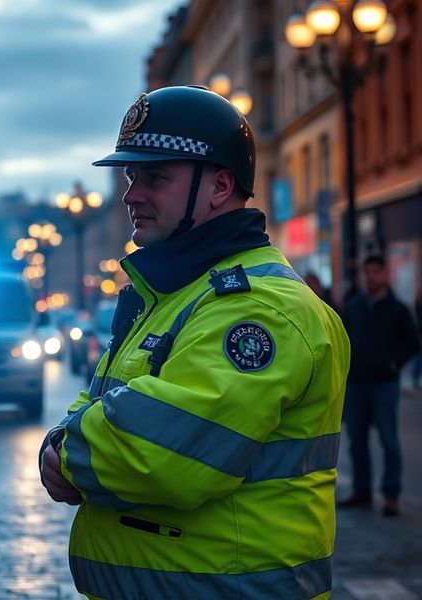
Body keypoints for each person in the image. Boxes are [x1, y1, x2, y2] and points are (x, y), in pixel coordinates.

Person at [39, 86, 350, 599]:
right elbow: (99, 403)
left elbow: (160, 455)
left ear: (220, 186)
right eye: (131, 176)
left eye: (155, 178)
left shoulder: (260, 308)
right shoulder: (174, 293)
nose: (131, 194)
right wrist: (70, 439)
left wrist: (65, 452)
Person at [338, 255, 419, 516]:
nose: (371, 276)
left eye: (376, 272)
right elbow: (342, 339)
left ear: (385, 275)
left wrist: (394, 363)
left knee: (388, 440)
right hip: (357, 383)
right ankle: (362, 492)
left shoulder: (398, 310)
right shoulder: (353, 307)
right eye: (367, 272)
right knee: (356, 441)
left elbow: (412, 343)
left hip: (384, 384)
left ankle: (391, 495)